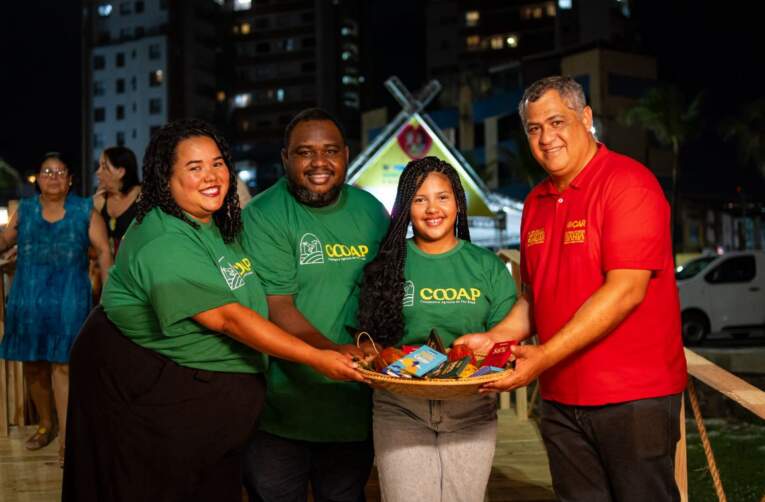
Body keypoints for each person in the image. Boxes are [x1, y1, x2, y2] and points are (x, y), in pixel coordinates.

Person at [62, 119, 364, 502]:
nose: (211, 175)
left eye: (217, 163)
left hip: (208, 416)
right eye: (195, 167)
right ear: (165, 177)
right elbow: (227, 317)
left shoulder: (212, 221)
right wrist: (316, 358)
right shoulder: (163, 238)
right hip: (142, 396)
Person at [455, 76, 687, 502]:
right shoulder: (535, 202)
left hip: (632, 396)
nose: (547, 138)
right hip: (560, 398)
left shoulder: (628, 183)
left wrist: (542, 356)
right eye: (534, 128)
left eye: (557, 122)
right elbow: (534, 298)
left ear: (586, 118)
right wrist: (493, 339)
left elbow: (626, 290)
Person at [241, 108, 389, 502]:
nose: (319, 163)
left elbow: (386, 293)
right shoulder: (263, 215)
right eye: (305, 152)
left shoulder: (372, 211)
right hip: (280, 410)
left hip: (352, 409)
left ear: (346, 155)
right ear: (285, 158)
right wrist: (333, 352)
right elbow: (277, 305)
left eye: (330, 151)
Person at [356, 156, 517, 502]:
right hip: (400, 407)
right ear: (406, 208)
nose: (433, 209)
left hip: (471, 408)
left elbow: (505, 340)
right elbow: (369, 340)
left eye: (442, 197)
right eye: (420, 199)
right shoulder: (386, 265)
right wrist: (370, 354)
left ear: (458, 202)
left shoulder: (487, 266)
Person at [0, 152, 112, 467]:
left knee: (64, 368)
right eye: (47, 171)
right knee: (34, 366)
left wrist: (109, 296)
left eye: (60, 172)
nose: (53, 177)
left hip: (69, 301)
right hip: (27, 300)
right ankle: (45, 424)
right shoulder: (26, 210)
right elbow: (5, 240)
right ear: (38, 178)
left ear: (70, 179)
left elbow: (104, 252)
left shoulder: (84, 211)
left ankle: (67, 439)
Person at [94, 145, 142, 255]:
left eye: (104, 167)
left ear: (120, 172)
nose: (98, 172)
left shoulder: (143, 198)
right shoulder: (99, 200)